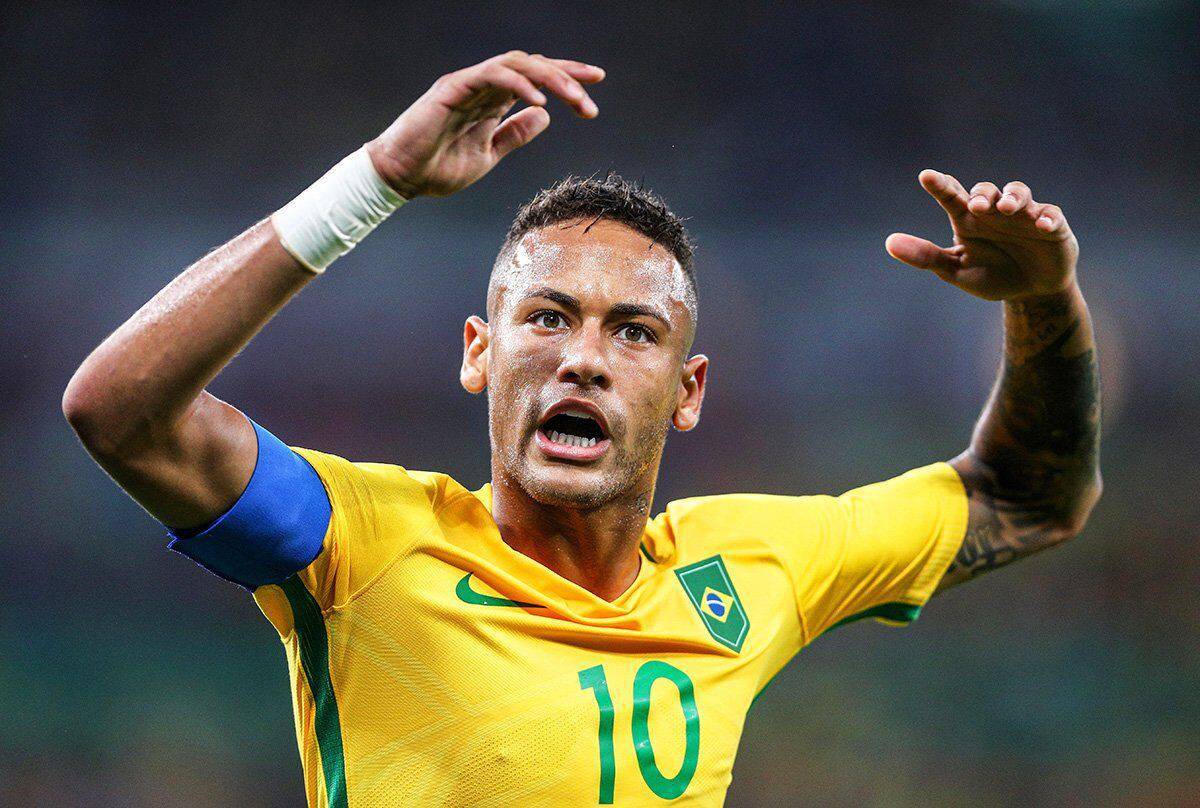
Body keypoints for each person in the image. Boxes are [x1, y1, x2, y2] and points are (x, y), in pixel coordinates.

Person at [62, 51, 1102, 807]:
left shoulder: (753, 566)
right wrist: (374, 184)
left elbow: (1030, 497)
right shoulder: (365, 545)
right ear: (479, 353)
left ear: (689, 391)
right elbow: (119, 413)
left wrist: (1044, 301)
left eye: (634, 331)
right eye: (548, 317)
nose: (584, 358)